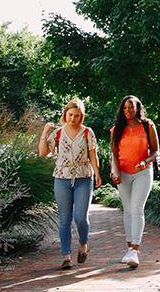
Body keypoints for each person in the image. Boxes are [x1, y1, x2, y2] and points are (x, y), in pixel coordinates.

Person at [38, 98, 101, 270]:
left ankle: (83, 243)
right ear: (65, 114)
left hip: (83, 177)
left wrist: (97, 173)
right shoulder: (58, 133)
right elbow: (43, 152)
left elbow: (93, 156)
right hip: (61, 178)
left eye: (77, 116)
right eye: (70, 115)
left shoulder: (88, 132)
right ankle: (66, 255)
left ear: (82, 117)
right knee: (64, 218)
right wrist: (45, 132)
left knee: (81, 217)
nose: (73, 119)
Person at [109, 95, 159, 268]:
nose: (128, 110)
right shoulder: (117, 129)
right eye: (125, 108)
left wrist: (145, 161)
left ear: (138, 108)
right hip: (123, 173)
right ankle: (129, 248)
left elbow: (155, 151)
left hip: (143, 173)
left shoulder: (147, 125)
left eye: (131, 107)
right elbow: (114, 154)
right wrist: (114, 172)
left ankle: (135, 250)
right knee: (128, 210)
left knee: (137, 208)